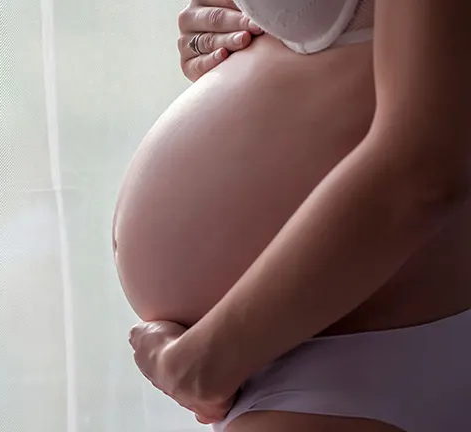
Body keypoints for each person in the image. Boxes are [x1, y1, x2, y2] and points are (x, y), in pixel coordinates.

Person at [113, 1, 471, 431]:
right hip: (287, 344)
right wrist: (222, 31)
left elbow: (423, 168)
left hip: (366, 345)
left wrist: (203, 363)